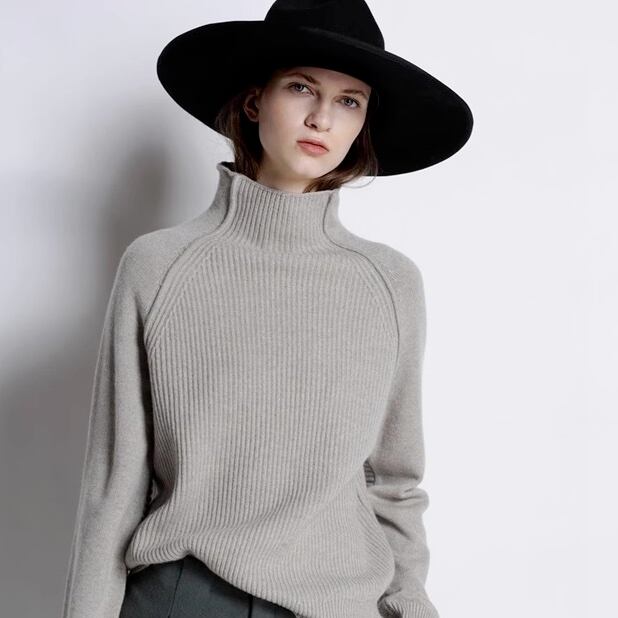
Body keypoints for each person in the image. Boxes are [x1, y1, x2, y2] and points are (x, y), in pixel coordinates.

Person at [61, 1, 473, 617]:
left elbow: (393, 480)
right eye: (301, 87)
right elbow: (114, 481)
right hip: (185, 598)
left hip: (339, 603)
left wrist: (410, 605)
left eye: (349, 101)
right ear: (254, 101)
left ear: (363, 123)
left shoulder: (389, 284)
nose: (321, 118)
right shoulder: (159, 266)